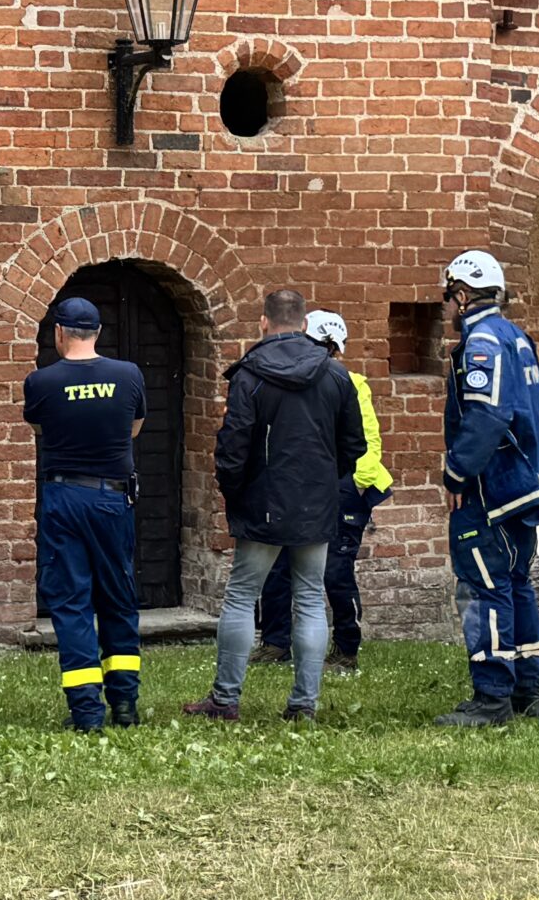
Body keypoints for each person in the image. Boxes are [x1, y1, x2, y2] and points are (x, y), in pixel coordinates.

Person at [185, 289, 365, 723]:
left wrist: (238, 493)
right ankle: (304, 704)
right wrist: (324, 481)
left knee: (242, 595)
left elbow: (232, 446)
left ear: (263, 322)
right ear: (304, 324)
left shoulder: (250, 374)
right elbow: (354, 445)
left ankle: (225, 699)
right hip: (315, 501)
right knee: (310, 598)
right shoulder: (336, 375)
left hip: (263, 500)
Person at [434, 250, 539, 728]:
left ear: (462, 295)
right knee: (518, 584)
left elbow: (487, 415)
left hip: (492, 489)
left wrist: (457, 473)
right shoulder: (517, 337)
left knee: (484, 587)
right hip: (524, 486)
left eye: (447, 297)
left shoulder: (482, 342)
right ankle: (527, 690)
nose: (445, 307)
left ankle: (492, 696)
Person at [23, 297, 148, 732]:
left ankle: (86, 712)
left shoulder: (41, 382)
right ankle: (125, 704)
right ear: (98, 332)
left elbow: (41, 429)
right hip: (112, 498)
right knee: (118, 596)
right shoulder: (128, 375)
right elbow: (133, 430)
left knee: (71, 601)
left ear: (59, 333)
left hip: (64, 498)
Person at [253, 310, 394, 670]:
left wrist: (352, 486)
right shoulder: (286, 380)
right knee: (277, 564)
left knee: (335, 569)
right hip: (296, 486)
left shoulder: (351, 383)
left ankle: (346, 649)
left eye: (325, 347)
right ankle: (275, 642)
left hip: (342, 485)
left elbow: (368, 443)